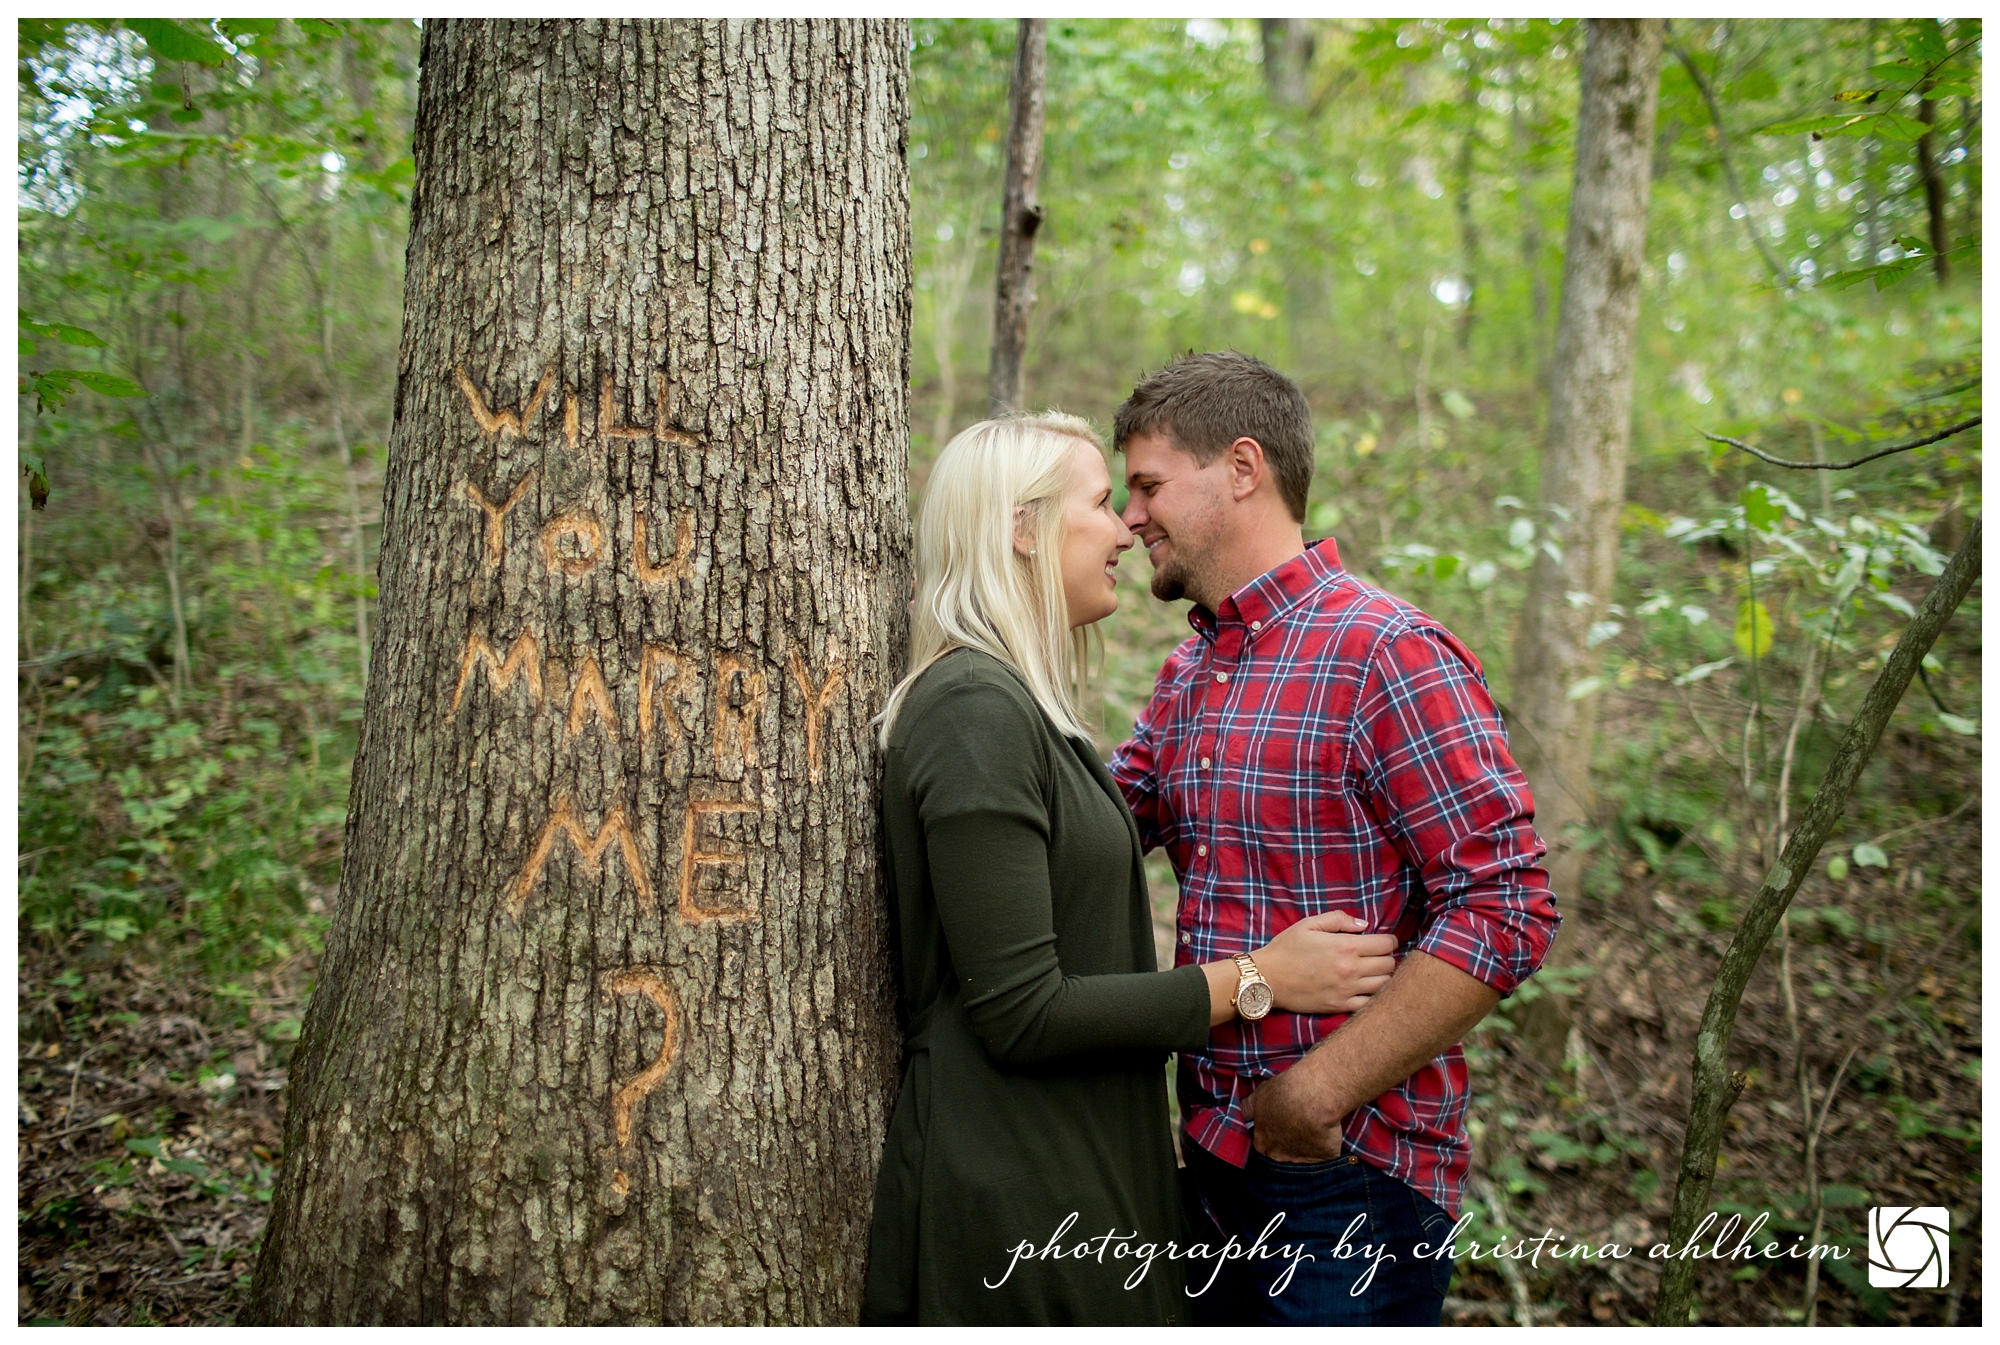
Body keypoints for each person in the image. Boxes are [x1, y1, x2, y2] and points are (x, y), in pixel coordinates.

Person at [859, 413, 1398, 1326]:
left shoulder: (1024, 710)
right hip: (1014, 1186)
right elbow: (1023, 1010)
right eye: (1106, 503)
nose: (1125, 529)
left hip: (1078, 1164)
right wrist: (1258, 980)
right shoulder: (973, 708)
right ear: (1021, 529)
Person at [1107, 352, 1561, 1325]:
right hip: (1214, 1162)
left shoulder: (1384, 653)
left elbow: (1505, 907)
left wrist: (1310, 1097)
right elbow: (1097, 822)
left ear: (1240, 467)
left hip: (1346, 1173)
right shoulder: (1191, 671)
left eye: (1145, 485)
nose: (1128, 516)